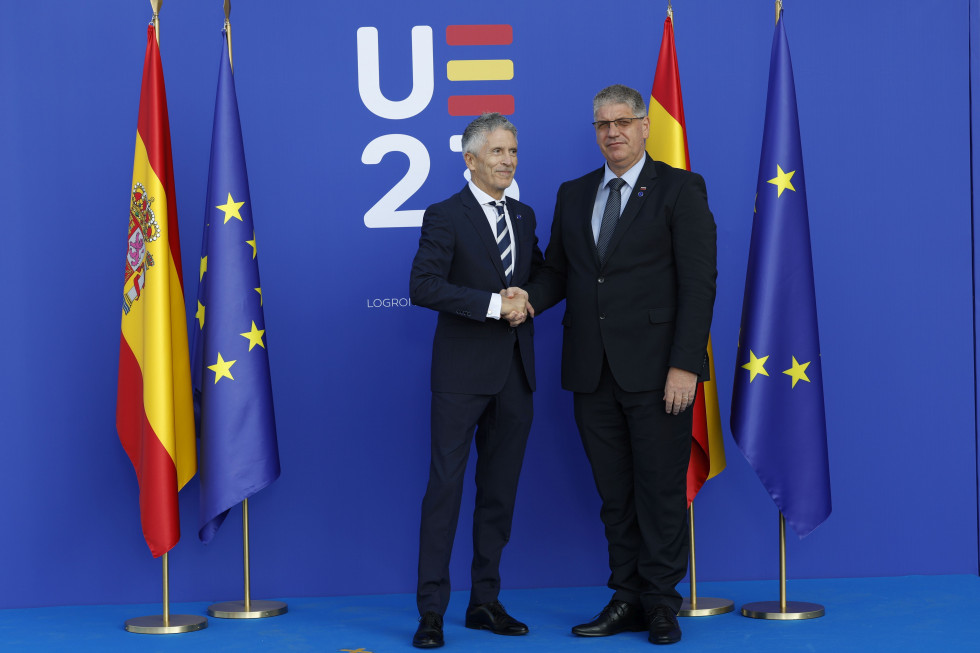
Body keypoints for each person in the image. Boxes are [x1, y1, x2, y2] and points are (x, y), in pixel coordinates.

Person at [517, 84, 716, 645]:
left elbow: (699, 285)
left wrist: (685, 365)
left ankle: (660, 603)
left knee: (658, 490)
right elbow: (559, 271)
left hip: (659, 374)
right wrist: (524, 297)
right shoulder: (574, 193)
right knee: (615, 495)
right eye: (603, 124)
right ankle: (626, 596)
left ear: (645, 126)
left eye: (624, 121)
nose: (613, 132)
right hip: (590, 371)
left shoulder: (680, 189)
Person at [408, 113, 543, 649]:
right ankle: (431, 612)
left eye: (513, 151)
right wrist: (494, 305)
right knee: (445, 490)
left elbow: (545, 274)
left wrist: (528, 301)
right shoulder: (444, 215)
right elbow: (422, 285)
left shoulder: (526, 216)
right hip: (461, 378)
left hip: (516, 376)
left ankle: (484, 602)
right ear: (470, 160)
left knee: (499, 494)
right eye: (498, 152)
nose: (508, 160)